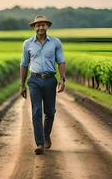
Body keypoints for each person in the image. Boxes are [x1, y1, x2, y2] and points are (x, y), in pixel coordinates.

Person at [19, 15, 66, 155]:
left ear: (47, 26)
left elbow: (61, 61)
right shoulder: (27, 44)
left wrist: (62, 79)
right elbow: (24, 64)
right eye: (38, 25)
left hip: (50, 80)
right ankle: (39, 143)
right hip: (34, 80)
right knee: (37, 111)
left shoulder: (56, 42)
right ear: (34, 27)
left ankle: (46, 136)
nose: (40, 28)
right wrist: (22, 85)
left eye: (43, 25)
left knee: (50, 111)